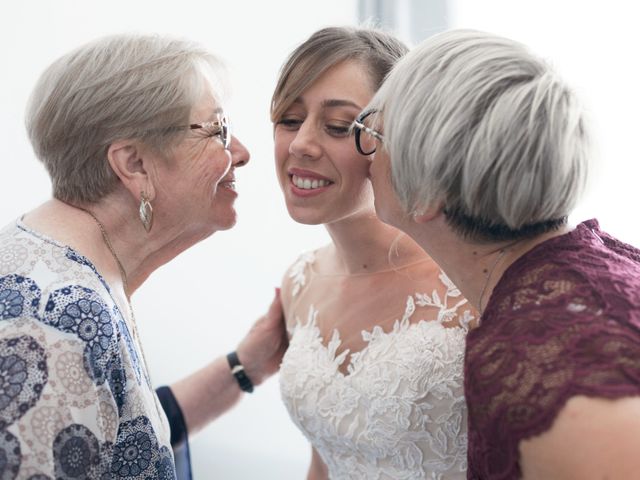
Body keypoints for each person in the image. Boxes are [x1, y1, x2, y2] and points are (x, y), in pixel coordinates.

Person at [0, 34, 287, 479]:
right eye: (218, 130)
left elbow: (117, 438)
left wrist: (245, 366)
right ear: (134, 165)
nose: (243, 154)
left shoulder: (67, 270)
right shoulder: (58, 324)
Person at [357, 28, 640, 479]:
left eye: (372, 133)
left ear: (429, 194)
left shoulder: (552, 364)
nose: (364, 158)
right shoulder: (599, 259)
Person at [271, 26, 475, 480]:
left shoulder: (470, 287)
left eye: (339, 126)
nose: (301, 143)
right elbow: (323, 460)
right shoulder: (298, 282)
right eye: (289, 119)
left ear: (393, 138)